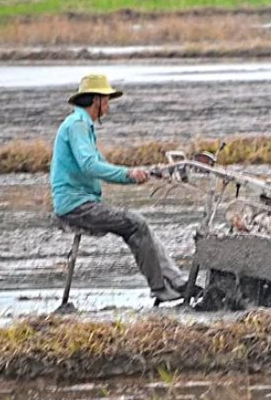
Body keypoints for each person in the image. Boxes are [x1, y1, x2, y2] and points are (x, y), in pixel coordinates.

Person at [51, 73, 190, 304]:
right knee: (136, 223)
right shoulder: (77, 126)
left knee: (138, 225)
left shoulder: (83, 126)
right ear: (95, 100)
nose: (108, 105)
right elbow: (90, 165)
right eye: (106, 99)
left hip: (83, 202)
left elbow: (102, 165)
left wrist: (139, 175)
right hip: (75, 206)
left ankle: (176, 281)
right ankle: (161, 288)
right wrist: (127, 173)